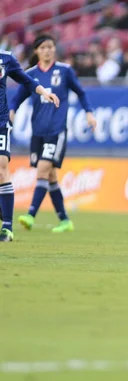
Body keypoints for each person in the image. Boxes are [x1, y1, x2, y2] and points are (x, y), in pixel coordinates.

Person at [9, 34, 95, 233]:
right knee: (51, 176)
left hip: (57, 131)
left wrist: (89, 113)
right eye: (43, 47)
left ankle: (30, 215)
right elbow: (17, 99)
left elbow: (81, 92)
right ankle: (65, 220)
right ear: (37, 51)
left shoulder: (64, 71)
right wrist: (12, 112)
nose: (48, 50)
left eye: (51, 47)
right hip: (37, 132)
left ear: (55, 49)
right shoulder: (30, 74)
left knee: (42, 170)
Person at [0, 48, 59, 242]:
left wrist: (44, 92)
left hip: (0, 123)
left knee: (1, 167)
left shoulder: (5, 58)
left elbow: (26, 80)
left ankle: (7, 228)